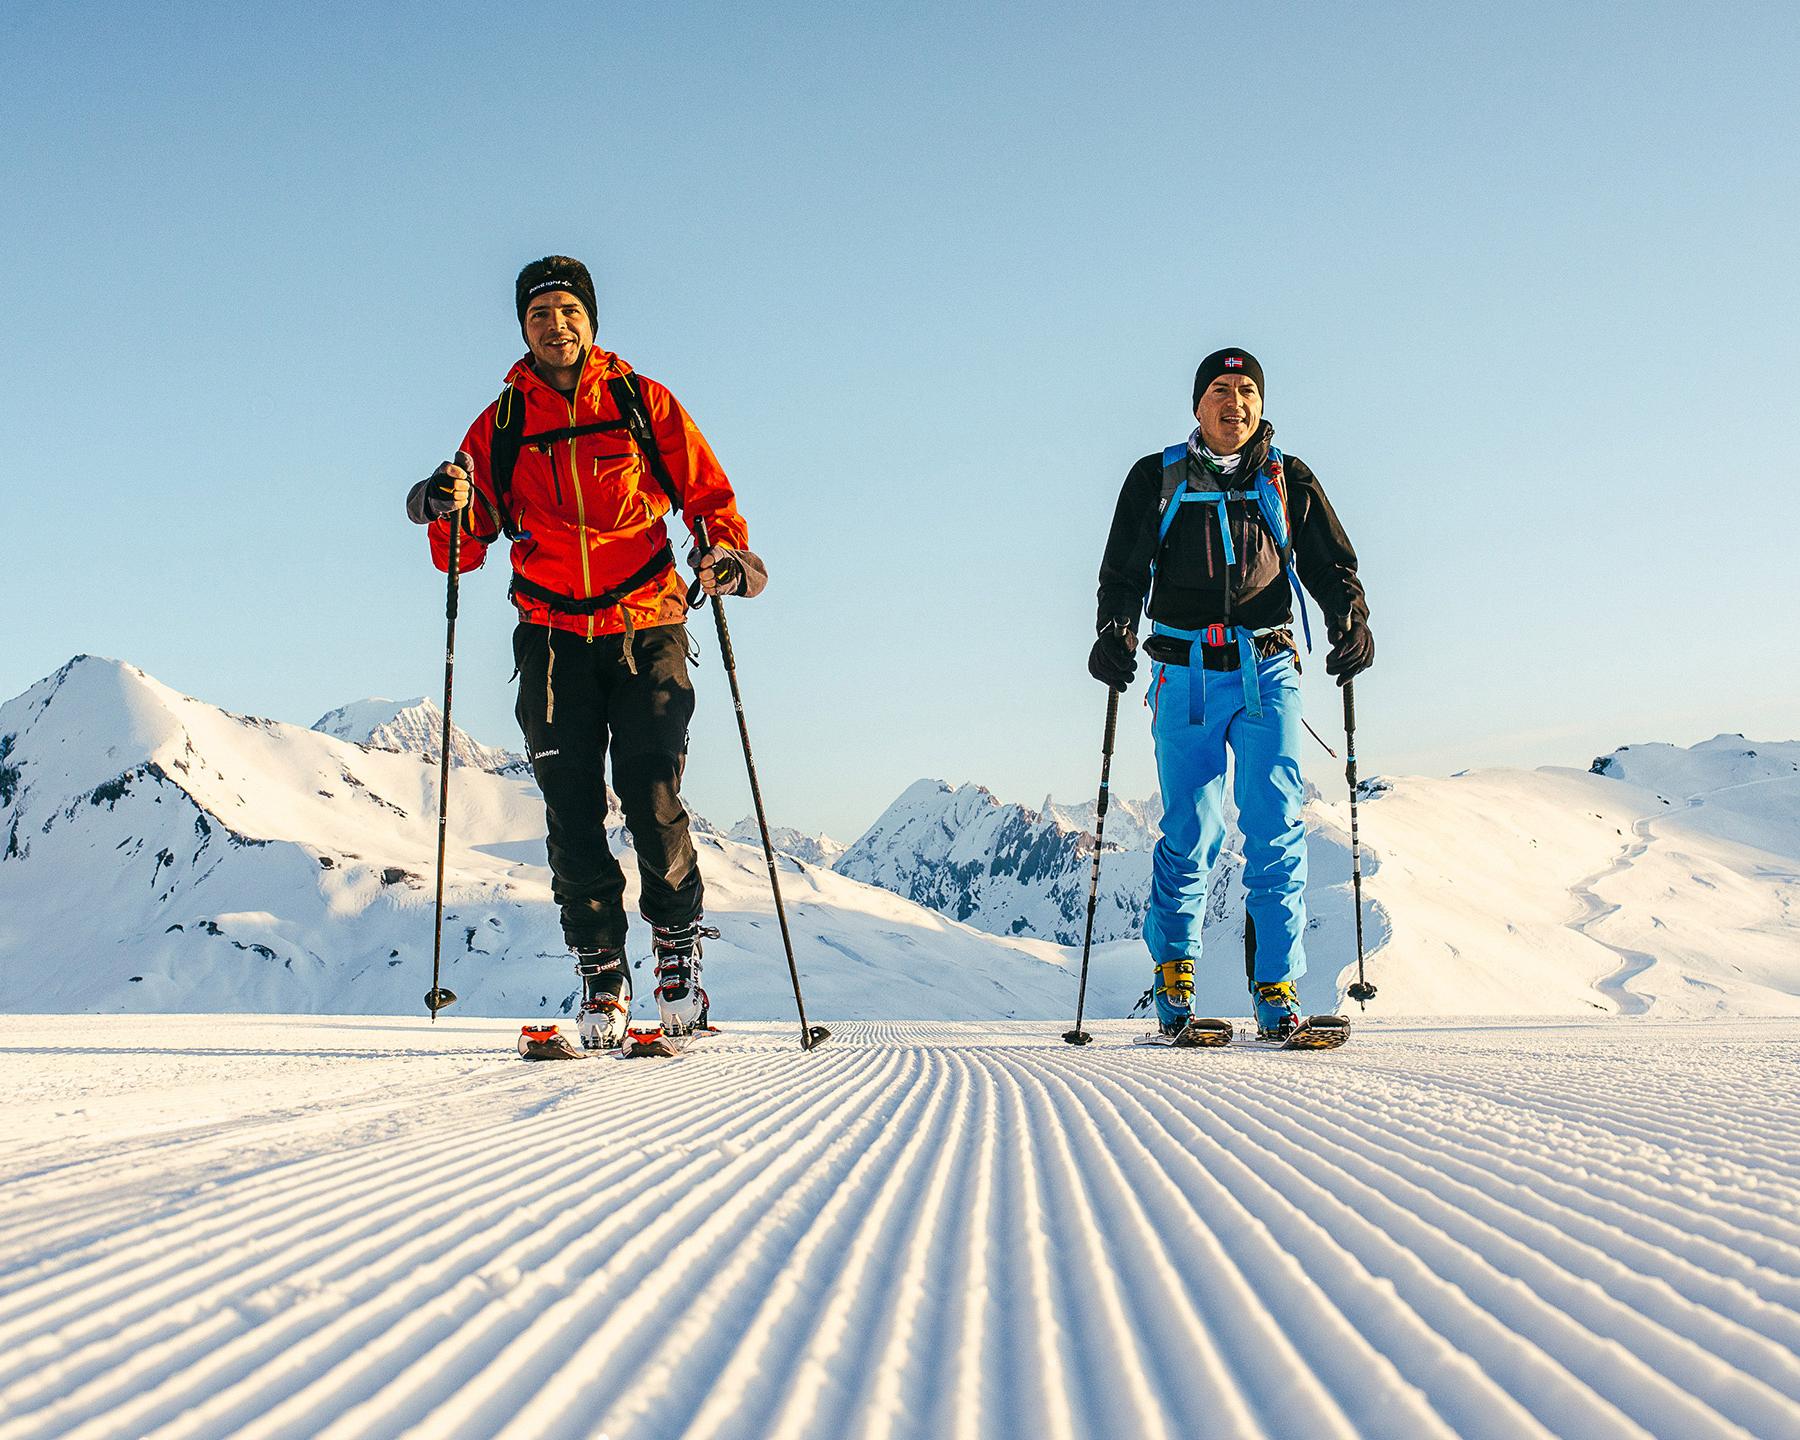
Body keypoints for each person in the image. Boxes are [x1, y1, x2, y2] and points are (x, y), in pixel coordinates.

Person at [407, 256, 766, 1049]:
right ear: (524, 330)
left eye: (569, 311)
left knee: (650, 795)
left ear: (591, 321)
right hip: (551, 638)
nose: (555, 325)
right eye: (539, 315)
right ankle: (603, 976)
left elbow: (710, 502)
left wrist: (728, 558)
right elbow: (462, 548)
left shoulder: (643, 403)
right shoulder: (501, 425)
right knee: (571, 812)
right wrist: (444, 504)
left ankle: (677, 962)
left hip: (647, 629)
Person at [1090, 348, 1371, 1042]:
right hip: (1181, 673)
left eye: (1247, 391)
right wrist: (1115, 631)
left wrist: (1349, 618)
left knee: (1276, 824)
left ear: (1260, 405)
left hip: (1267, 667)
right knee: (1192, 829)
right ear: (1198, 405)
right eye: (1221, 389)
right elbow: (1122, 571)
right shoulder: (1155, 479)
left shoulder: (1287, 479)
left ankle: (1277, 989)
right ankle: (1174, 981)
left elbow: (1330, 563)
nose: (1235, 402)